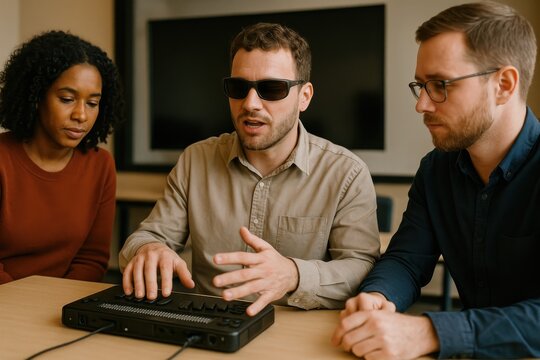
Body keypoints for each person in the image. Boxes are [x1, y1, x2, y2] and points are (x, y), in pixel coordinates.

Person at [119, 22, 380, 316]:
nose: (250, 103)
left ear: (304, 96)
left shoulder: (346, 173)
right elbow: (146, 238)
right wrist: (148, 250)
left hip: (293, 333)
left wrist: (294, 275)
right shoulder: (195, 160)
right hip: (207, 327)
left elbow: (362, 269)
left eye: (271, 88)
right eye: (238, 88)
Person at [332, 2, 540, 359]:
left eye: (440, 85)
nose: (422, 105)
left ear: (503, 85)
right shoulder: (436, 171)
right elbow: (407, 260)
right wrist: (378, 298)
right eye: (421, 85)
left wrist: (430, 331)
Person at [0, 30, 124, 284]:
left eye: (92, 103)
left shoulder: (100, 165)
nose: (81, 115)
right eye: (67, 99)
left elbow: (92, 259)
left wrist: (58, 305)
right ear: (35, 97)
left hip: (61, 306)